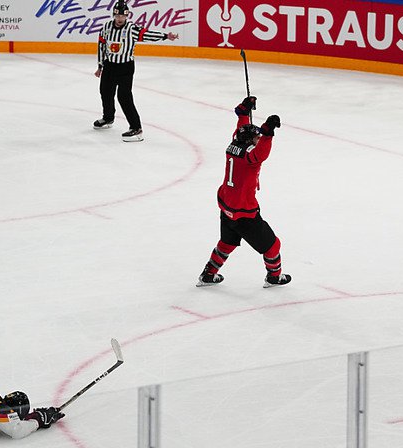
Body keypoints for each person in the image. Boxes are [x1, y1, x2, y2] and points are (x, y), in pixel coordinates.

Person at [197, 96, 291, 288]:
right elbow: (261, 154)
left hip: (226, 206)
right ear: (250, 141)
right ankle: (274, 277)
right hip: (244, 212)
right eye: (255, 138)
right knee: (273, 245)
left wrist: (244, 111)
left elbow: (240, 131)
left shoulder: (233, 145)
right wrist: (268, 133)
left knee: (227, 242)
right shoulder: (250, 156)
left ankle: (208, 274)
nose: (257, 140)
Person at [93, 1, 179, 142]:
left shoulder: (131, 29)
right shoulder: (106, 27)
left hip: (125, 67)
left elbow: (147, 35)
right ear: (114, 14)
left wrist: (165, 36)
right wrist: (100, 66)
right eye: (118, 15)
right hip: (109, 66)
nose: (120, 18)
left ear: (127, 16)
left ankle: (136, 128)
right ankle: (108, 118)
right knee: (105, 91)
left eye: (123, 16)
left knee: (124, 96)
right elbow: (101, 46)